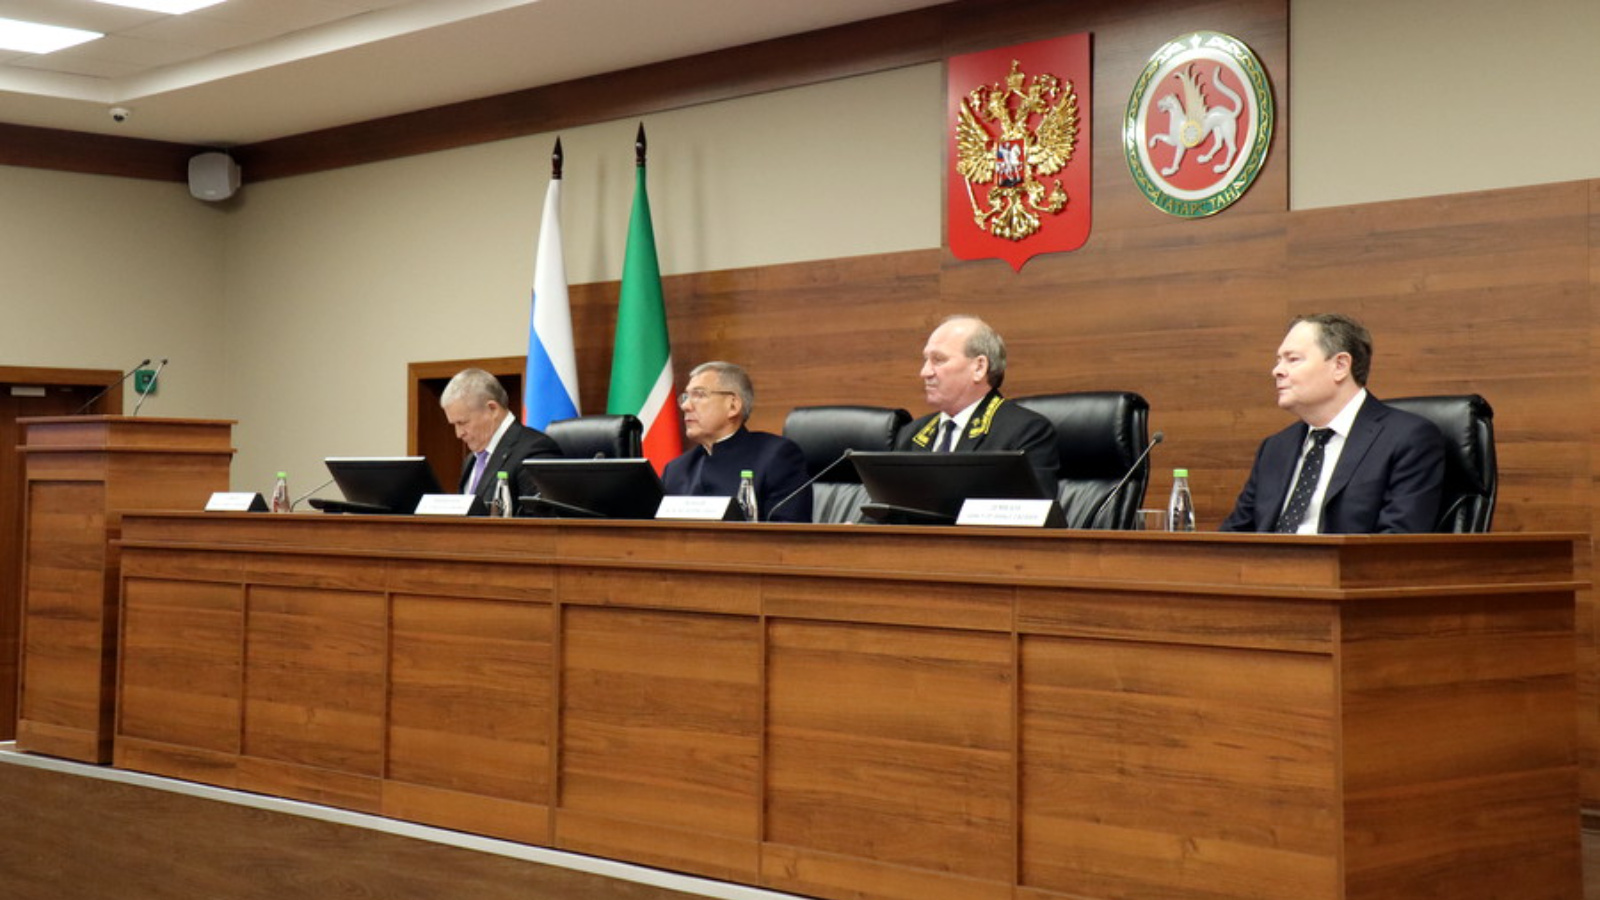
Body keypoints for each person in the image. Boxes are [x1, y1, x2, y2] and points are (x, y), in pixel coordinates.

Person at [1220, 313, 1446, 534]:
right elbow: (1234, 536)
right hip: (1267, 560)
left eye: (1293, 359)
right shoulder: (1275, 447)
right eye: (1278, 360)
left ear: (1340, 366)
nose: (1277, 371)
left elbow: (1395, 542)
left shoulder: (1407, 439)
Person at [895, 314, 1058, 492]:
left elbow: (1034, 508)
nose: (925, 372)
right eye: (925, 360)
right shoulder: (911, 435)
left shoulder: (1024, 432)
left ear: (979, 367)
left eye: (939, 360)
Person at [661, 361, 812, 522]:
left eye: (699, 395)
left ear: (733, 405)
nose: (685, 406)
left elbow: (788, 532)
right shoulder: (676, 469)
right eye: (685, 397)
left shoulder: (777, 457)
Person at [440, 368, 561, 514]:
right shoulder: (472, 460)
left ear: (492, 409)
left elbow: (540, 521)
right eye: (454, 425)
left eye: (462, 423)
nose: (458, 434)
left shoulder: (534, 451)